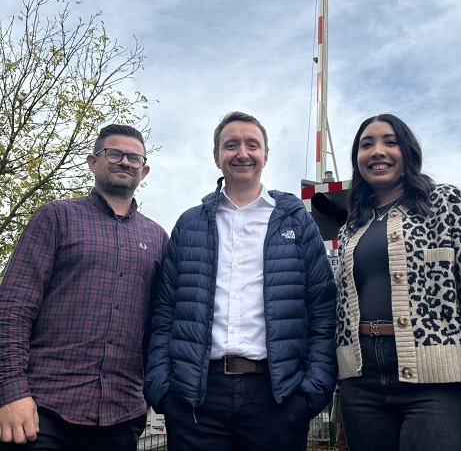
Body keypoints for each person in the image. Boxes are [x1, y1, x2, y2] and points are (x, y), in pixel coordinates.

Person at [333, 114, 461, 451]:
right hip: (361, 387)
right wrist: (341, 410)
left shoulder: (446, 203)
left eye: (389, 142)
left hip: (438, 388)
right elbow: (340, 320)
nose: (377, 151)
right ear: (357, 159)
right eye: (366, 145)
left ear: (407, 152)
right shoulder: (350, 228)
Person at [144, 111, 337, 451]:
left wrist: (312, 392)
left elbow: (322, 309)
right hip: (195, 400)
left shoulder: (297, 222)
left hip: (278, 397)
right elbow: (164, 312)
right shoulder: (189, 225)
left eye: (252, 144)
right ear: (216, 156)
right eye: (230, 145)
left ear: (266, 154)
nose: (242, 153)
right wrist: (162, 389)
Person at [0, 124, 168, 451]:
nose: (124, 162)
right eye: (114, 154)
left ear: (144, 170)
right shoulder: (55, 217)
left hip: (122, 415)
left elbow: (158, 325)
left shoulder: (157, 238)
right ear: (93, 162)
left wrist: (150, 391)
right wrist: (12, 391)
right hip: (42, 409)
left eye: (134, 158)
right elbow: (12, 309)